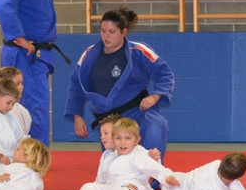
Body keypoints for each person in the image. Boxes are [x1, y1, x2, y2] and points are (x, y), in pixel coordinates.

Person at [41, 117, 195, 190]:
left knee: (89, 188)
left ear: (137, 141)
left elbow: (154, 168)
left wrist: (167, 176)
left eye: (127, 138)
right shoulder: (109, 157)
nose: (122, 142)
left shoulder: (137, 154)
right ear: (114, 140)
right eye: (118, 138)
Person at [65, 8, 175, 160]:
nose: (106, 36)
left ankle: (151, 172)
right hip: (109, 119)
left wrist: (155, 96)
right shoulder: (89, 55)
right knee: (115, 165)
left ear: (123, 32)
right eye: (103, 31)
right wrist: (78, 116)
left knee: (157, 126)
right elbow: (76, 84)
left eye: (111, 32)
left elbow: (165, 73)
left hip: (138, 111)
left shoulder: (138, 51)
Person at [0, 0, 63, 146]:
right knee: (23, 105)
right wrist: (19, 38)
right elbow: (3, 7)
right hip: (23, 53)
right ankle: (27, 153)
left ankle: (36, 152)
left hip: (38, 53)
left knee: (38, 106)